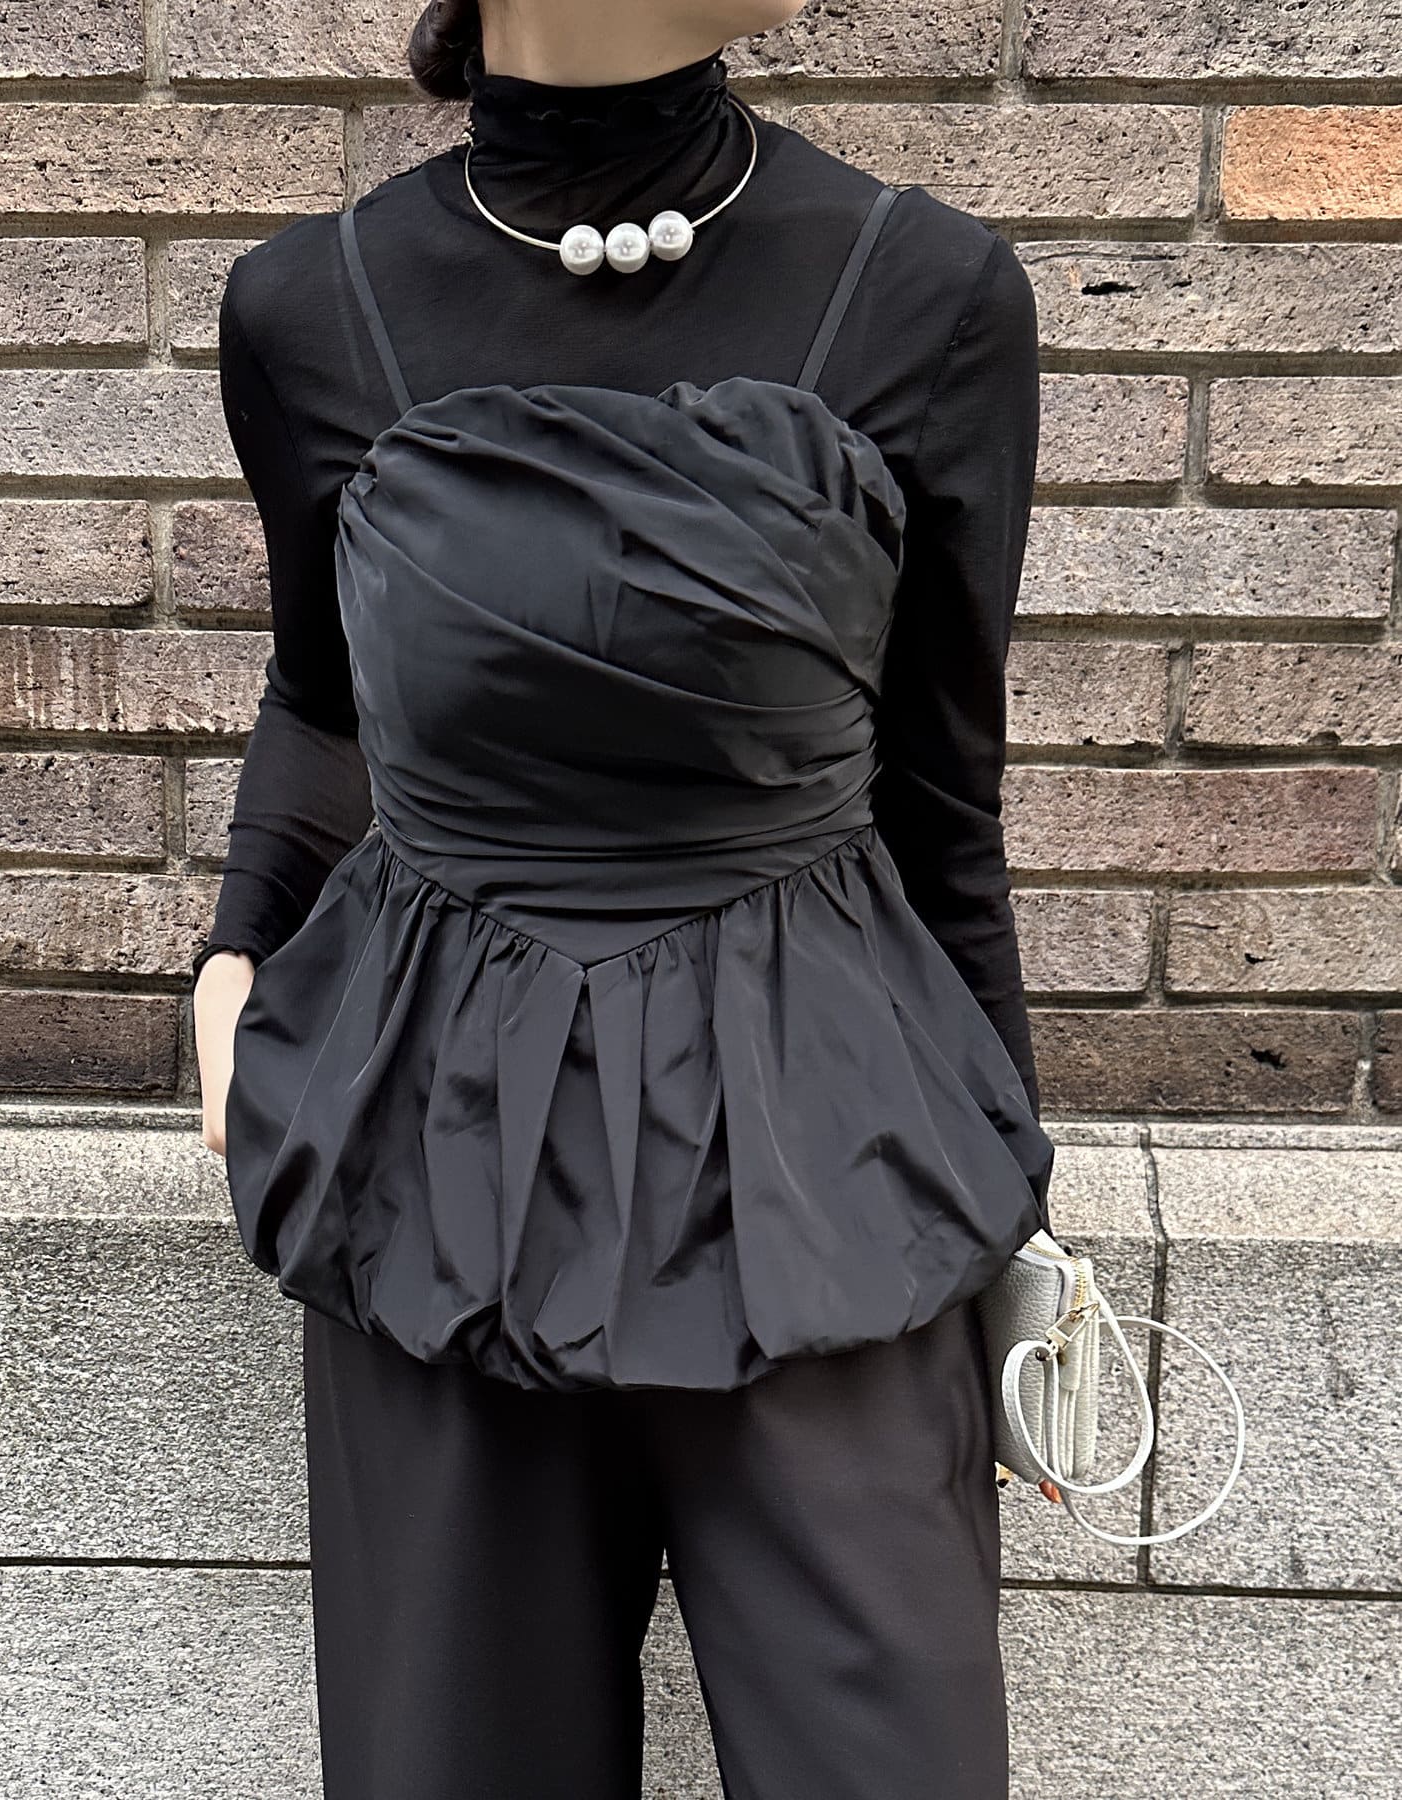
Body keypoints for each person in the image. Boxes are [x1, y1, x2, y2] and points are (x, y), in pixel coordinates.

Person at [191, 2, 1060, 1794]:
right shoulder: (311, 307)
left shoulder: (928, 293)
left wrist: (1008, 1204)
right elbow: (322, 701)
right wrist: (235, 955)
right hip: (434, 1159)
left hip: (829, 1161)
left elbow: (943, 802)